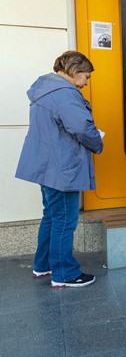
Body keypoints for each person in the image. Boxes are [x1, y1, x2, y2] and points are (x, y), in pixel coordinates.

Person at [15, 51, 103, 288]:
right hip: (61, 167)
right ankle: (64, 273)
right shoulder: (65, 94)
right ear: (75, 72)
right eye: (86, 76)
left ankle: (43, 265)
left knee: (52, 217)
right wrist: (98, 143)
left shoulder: (44, 89)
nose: (86, 82)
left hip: (46, 165)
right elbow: (81, 128)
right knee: (65, 220)